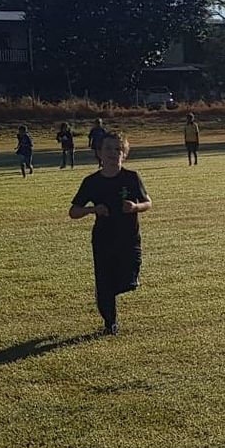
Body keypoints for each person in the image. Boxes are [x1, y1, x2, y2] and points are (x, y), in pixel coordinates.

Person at [69, 132, 150, 335]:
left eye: (118, 149)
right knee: (105, 283)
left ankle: (105, 293)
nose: (114, 153)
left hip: (129, 239)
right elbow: (74, 212)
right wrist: (93, 210)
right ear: (99, 153)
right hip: (103, 239)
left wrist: (135, 207)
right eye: (108, 149)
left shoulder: (132, 178)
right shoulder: (92, 182)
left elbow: (148, 202)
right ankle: (110, 323)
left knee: (128, 280)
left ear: (124, 154)